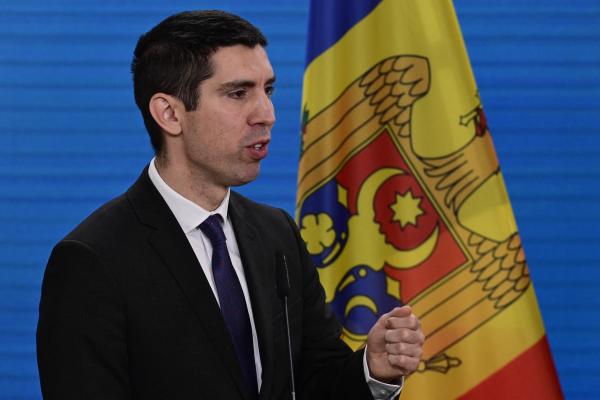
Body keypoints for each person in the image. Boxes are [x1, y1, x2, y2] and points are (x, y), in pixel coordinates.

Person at [36, 10, 424, 400]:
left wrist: (372, 370)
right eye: (239, 93)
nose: (267, 115)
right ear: (170, 113)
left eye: (268, 90)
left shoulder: (277, 234)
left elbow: (315, 382)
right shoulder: (92, 261)